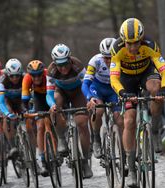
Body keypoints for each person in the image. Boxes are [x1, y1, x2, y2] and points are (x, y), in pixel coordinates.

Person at [110, 18, 165, 187]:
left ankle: (156, 129)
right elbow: (114, 78)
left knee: (156, 89)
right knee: (129, 121)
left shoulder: (150, 45)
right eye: (128, 43)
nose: (132, 47)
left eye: (136, 43)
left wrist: (164, 88)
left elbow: (164, 72)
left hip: (146, 73)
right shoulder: (116, 48)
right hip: (126, 79)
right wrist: (122, 92)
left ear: (141, 39)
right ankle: (131, 166)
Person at [46, 43, 93, 178]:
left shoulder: (77, 65)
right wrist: (52, 105)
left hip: (78, 92)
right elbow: (49, 94)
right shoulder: (51, 71)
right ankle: (61, 138)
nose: (63, 68)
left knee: (82, 123)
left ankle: (84, 161)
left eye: (65, 63)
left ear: (70, 59)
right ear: (54, 63)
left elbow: (86, 84)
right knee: (55, 107)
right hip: (61, 92)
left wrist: (89, 99)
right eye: (59, 65)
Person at [82, 38, 123, 159]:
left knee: (119, 119)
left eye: (111, 57)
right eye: (106, 57)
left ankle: (123, 149)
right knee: (98, 110)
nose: (109, 60)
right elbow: (85, 84)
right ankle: (96, 138)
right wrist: (90, 97)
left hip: (113, 90)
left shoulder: (122, 59)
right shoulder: (95, 61)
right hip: (98, 88)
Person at [22, 60, 49, 177]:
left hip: (49, 94)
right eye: (34, 75)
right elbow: (25, 99)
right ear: (30, 75)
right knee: (40, 126)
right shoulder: (27, 78)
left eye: (39, 74)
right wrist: (28, 110)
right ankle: (43, 157)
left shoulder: (48, 74)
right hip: (38, 98)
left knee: (53, 120)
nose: (36, 78)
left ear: (42, 73)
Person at [0, 58, 24, 159]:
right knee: (7, 115)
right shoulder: (1, 81)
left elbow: (30, 97)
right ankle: (12, 146)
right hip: (7, 101)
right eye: (12, 76)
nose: (15, 78)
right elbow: (1, 102)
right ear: (7, 74)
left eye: (17, 75)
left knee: (28, 116)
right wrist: (7, 114)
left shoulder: (25, 78)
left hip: (20, 100)